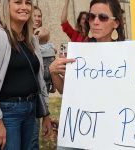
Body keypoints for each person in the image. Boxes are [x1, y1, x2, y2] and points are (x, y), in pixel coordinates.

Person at [51, 0, 125, 149]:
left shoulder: (126, 53)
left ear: (115, 23)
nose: (95, 22)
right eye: (92, 17)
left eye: (103, 17)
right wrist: (53, 72)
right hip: (80, 129)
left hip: (112, 130)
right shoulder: (79, 52)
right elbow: (64, 90)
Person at [0, 0, 52, 150]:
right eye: (18, 2)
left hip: (31, 110)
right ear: (6, 6)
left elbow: (38, 79)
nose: (24, 7)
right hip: (6, 113)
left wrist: (45, 114)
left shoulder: (31, 39)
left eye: (28, 3)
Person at [31, 5, 56, 150]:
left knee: (35, 132)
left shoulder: (43, 33)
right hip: (32, 91)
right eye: (34, 15)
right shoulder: (27, 36)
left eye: (39, 16)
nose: (37, 18)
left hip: (44, 87)